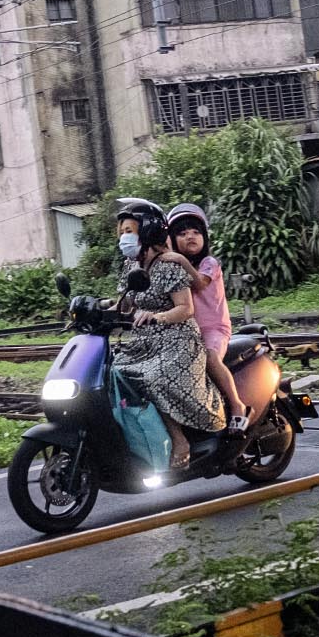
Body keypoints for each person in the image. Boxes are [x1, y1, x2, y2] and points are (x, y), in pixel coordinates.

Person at [112, 199, 225, 469]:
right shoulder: (131, 267)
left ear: (148, 231)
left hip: (179, 339)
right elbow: (125, 304)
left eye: (131, 231)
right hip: (147, 340)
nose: (125, 238)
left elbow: (186, 309)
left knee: (154, 377)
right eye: (123, 232)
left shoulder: (170, 266)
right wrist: (97, 307)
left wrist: (157, 316)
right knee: (116, 371)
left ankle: (180, 440)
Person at [165, 205, 247, 434]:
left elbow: (200, 282)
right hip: (188, 331)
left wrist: (180, 260)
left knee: (210, 358)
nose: (190, 236)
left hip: (214, 329)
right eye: (181, 233)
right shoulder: (170, 268)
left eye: (195, 232)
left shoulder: (209, 263)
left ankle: (237, 405)